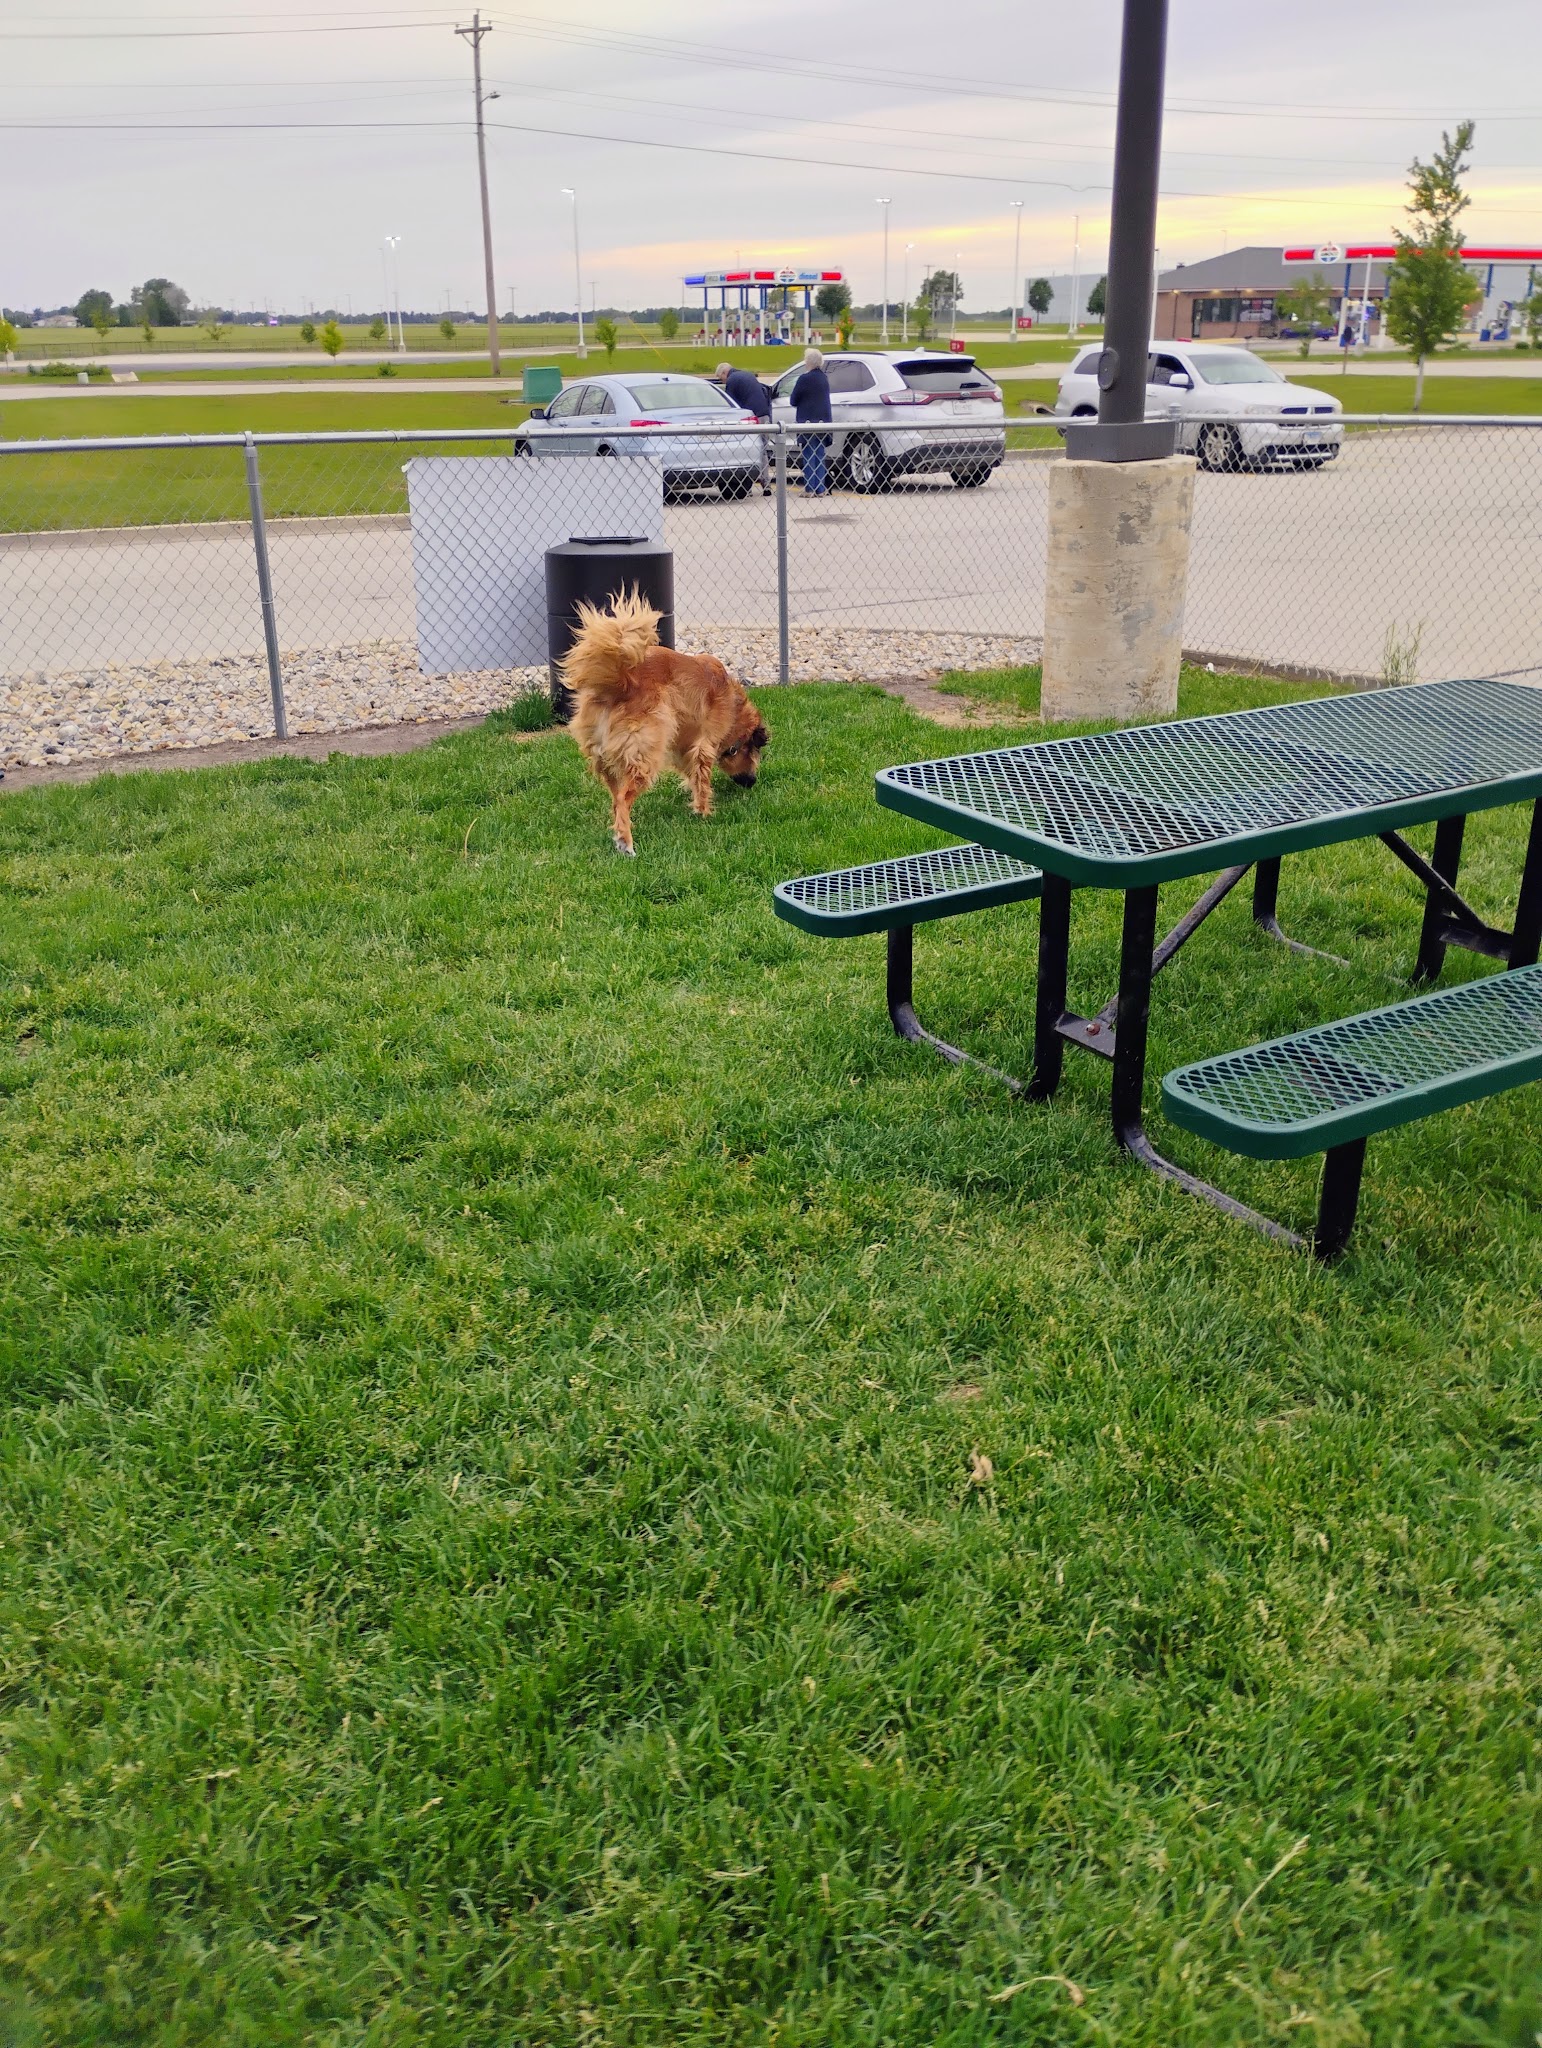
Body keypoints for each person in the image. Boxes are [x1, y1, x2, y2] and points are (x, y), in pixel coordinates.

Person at [710, 359, 774, 493]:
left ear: (724, 372)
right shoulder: (747, 375)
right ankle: (766, 483)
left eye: (720, 377)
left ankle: (746, 487)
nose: (722, 381)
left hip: (751, 418)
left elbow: (731, 405)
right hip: (764, 415)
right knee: (762, 450)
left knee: (747, 450)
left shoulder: (732, 381)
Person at [789, 346, 831, 496]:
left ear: (809, 362)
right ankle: (820, 488)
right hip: (823, 422)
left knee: (808, 455)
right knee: (819, 454)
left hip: (807, 421)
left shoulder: (804, 379)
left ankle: (809, 488)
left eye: (806, 359)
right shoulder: (824, 378)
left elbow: (793, 400)